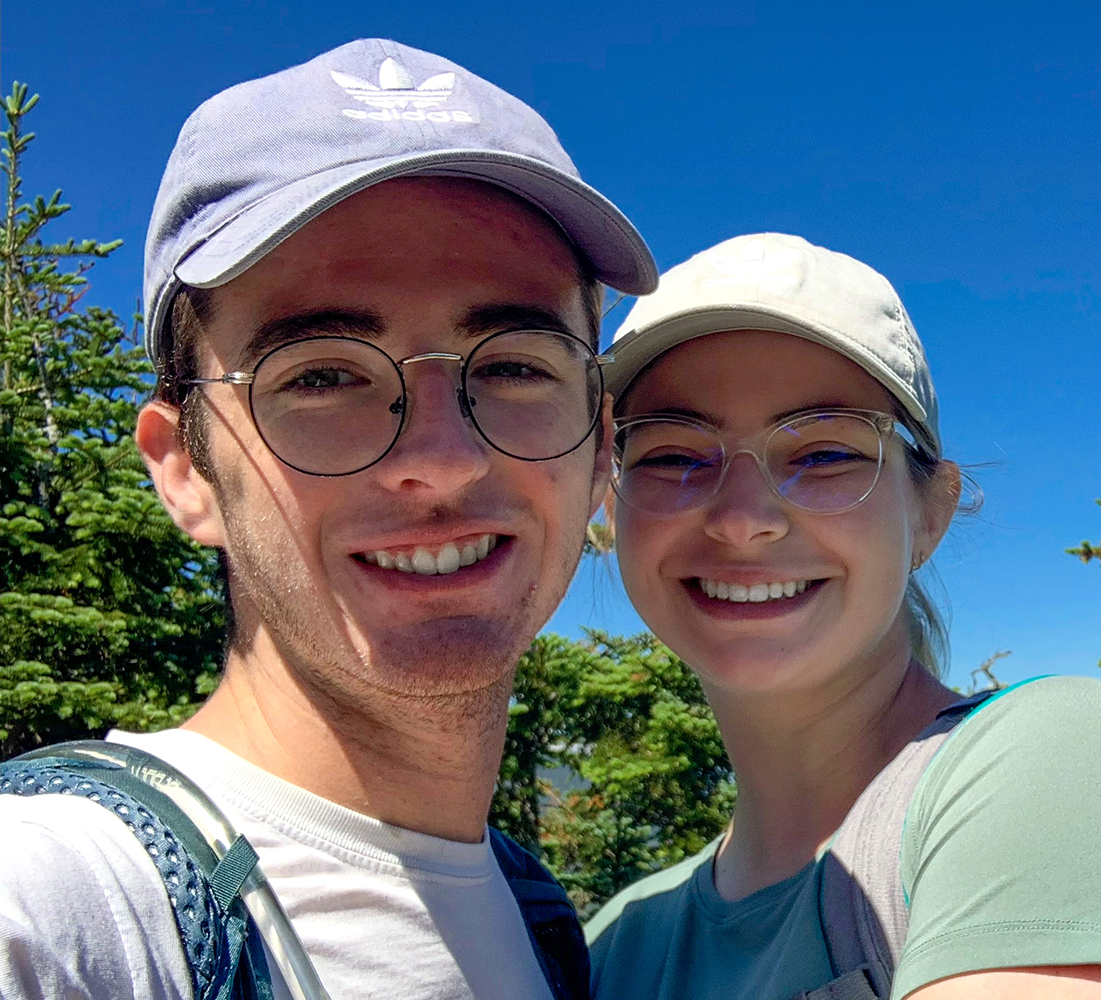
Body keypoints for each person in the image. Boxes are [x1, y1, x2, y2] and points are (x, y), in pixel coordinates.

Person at [0, 38, 656, 999]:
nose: (442, 459)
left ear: (600, 447)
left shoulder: (539, 921)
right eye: (321, 377)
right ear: (185, 468)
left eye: (515, 365)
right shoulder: (58, 906)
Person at [585, 233, 1101, 1000]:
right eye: (671, 455)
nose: (743, 518)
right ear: (610, 507)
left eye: (825, 454)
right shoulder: (611, 945)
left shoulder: (1060, 764)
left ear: (930, 513)